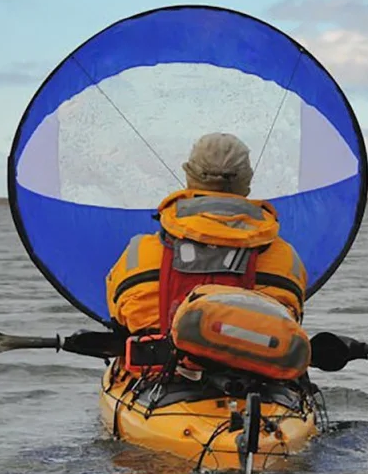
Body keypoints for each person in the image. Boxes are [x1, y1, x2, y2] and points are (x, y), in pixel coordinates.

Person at [106, 133, 307, 337]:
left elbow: (119, 320)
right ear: (247, 180)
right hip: (249, 365)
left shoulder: (139, 253)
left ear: (189, 176)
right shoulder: (286, 258)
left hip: (154, 367)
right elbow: (293, 319)